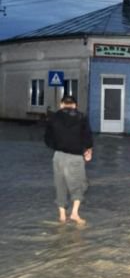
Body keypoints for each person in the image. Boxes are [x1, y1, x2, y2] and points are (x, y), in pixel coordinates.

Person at [44, 95, 93, 225]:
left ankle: (62, 216)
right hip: (75, 156)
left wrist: (57, 146)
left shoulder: (53, 117)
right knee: (81, 185)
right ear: (75, 105)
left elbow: (47, 139)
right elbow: (87, 137)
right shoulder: (81, 117)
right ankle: (74, 213)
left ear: (61, 105)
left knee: (60, 185)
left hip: (58, 156)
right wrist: (88, 150)